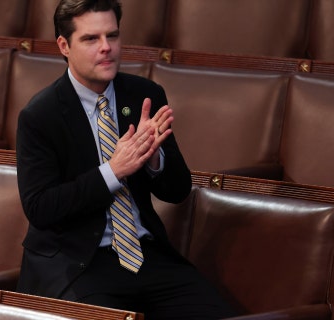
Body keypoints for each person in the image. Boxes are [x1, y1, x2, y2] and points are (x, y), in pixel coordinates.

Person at [15, 0, 236, 318]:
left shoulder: (144, 95)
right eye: (91, 39)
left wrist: (151, 156)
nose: (106, 48)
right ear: (64, 45)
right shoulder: (40, 115)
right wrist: (113, 171)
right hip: (77, 263)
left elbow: (177, 190)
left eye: (113, 36)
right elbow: (41, 208)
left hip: (146, 254)